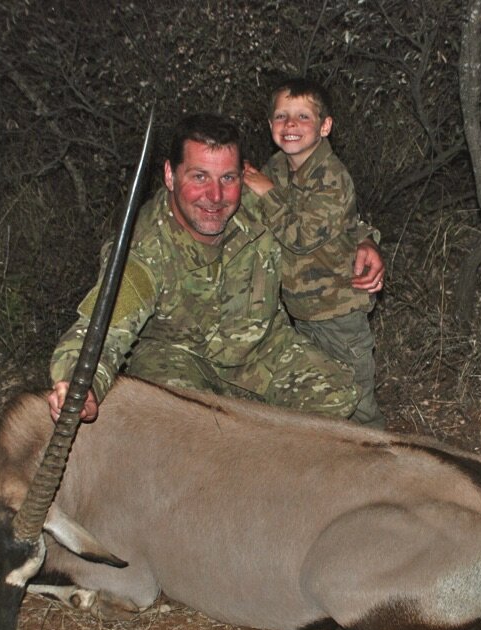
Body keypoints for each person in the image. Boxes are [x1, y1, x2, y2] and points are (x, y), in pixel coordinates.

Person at [48, 113, 384, 422]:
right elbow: (100, 329)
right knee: (189, 425)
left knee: (339, 395)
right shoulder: (143, 248)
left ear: (244, 174)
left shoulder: (262, 206)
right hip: (179, 362)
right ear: (169, 175)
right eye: (199, 177)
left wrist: (364, 241)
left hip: (262, 351)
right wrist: (77, 383)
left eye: (228, 177)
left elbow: (324, 221)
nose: (216, 195)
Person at [243, 77, 386, 429]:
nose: (290, 125)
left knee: (357, 403)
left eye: (303, 116)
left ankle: (380, 467)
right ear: (269, 125)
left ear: (325, 126)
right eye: (281, 116)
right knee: (321, 403)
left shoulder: (331, 176)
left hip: (338, 313)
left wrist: (266, 193)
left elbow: (301, 235)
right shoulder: (276, 167)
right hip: (300, 313)